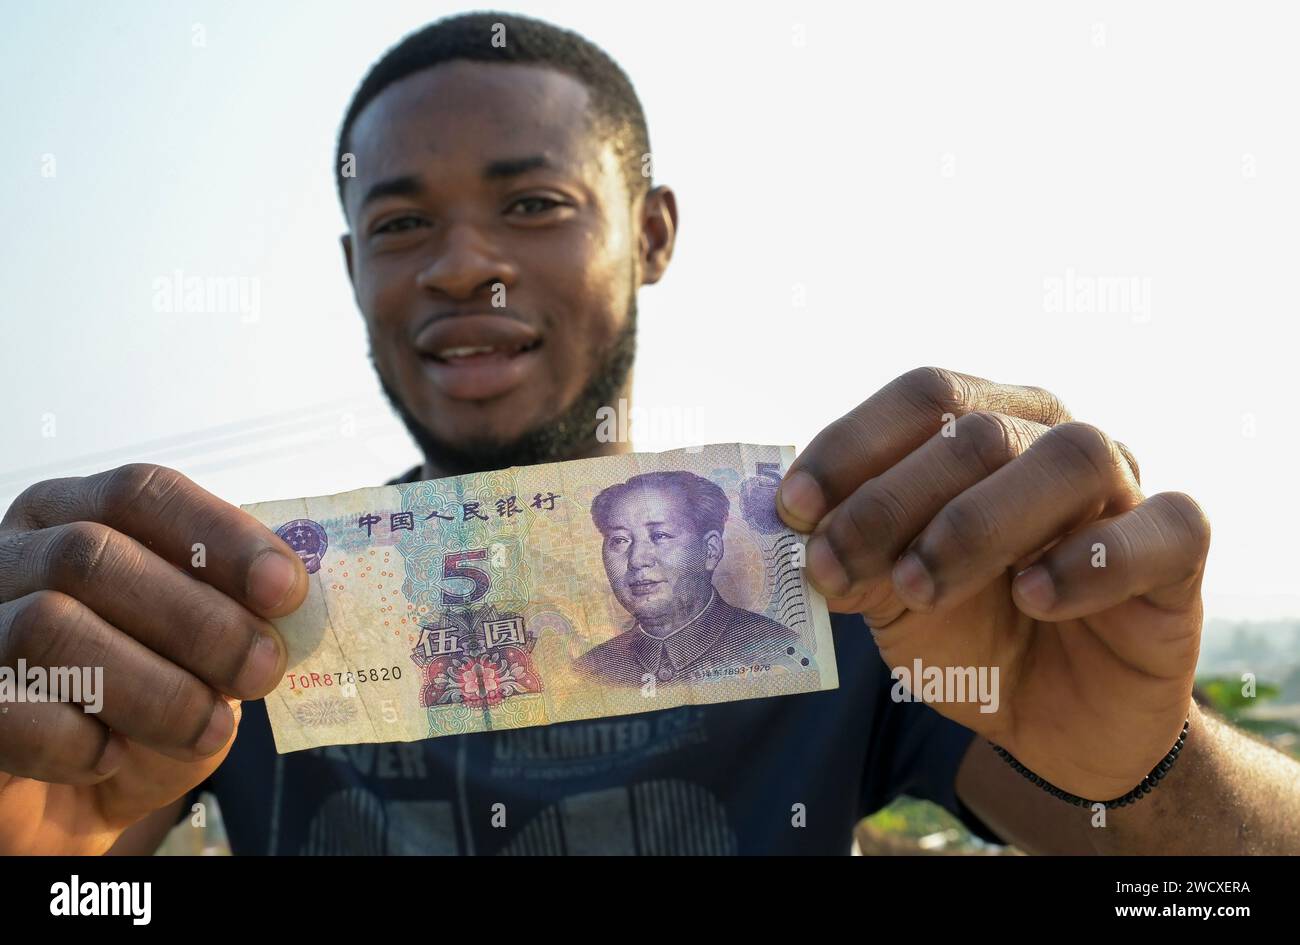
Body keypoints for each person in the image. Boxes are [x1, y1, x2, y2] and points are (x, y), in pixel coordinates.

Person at [2, 11, 1299, 856]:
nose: (463, 266)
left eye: (534, 203)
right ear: (352, 273)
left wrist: (1152, 771)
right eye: (401, 226)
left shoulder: (863, 600)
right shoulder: (231, 628)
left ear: (656, 234)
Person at [575, 470, 799, 686]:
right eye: (619, 540)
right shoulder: (587, 673)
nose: (636, 559)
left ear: (710, 550)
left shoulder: (782, 649)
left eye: (660, 535)